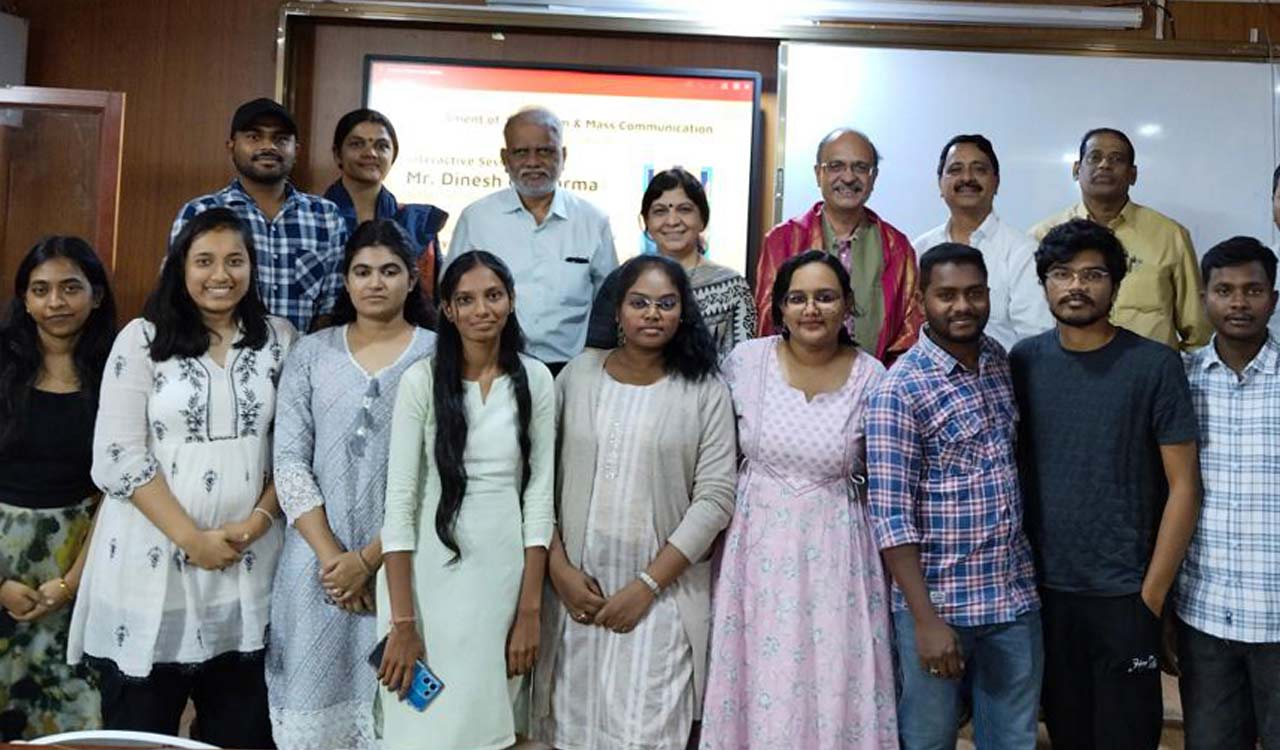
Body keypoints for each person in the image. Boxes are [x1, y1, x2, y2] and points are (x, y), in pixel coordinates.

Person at [68, 208, 297, 748]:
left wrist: (261, 520)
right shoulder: (141, 340)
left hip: (248, 566)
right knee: (141, 733)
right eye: (205, 261)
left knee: (242, 732)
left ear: (252, 267)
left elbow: (290, 449)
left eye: (235, 260)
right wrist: (191, 539)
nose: (221, 274)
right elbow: (117, 456)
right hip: (152, 569)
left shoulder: (280, 339)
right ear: (179, 268)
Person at [1010, 218, 1201, 750]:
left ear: (1116, 285)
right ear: (1043, 281)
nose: (1076, 286)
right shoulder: (1023, 361)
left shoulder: (1155, 365)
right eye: (1062, 273)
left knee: (1127, 735)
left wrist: (1150, 599)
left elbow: (1184, 486)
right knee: (1067, 732)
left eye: (1093, 274)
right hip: (1044, 594)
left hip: (1126, 595)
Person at [533, 255, 737, 750]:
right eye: (639, 303)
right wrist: (558, 571)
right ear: (618, 311)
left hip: (661, 601)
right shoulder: (577, 376)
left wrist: (646, 587)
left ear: (682, 313)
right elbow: (539, 481)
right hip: (576, 600)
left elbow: (715, 498)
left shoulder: (704, 388)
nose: (653, 314)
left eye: (666, 304)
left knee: (644, 733)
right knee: (568, 731)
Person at [701, 250, 898, 749]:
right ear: (780, 308)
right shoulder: (746, 362)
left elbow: (885, 475)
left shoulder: (873, 377)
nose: (812, 309)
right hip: (754, 553)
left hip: (838, 556)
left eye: (826, 297)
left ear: (847, 305)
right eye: (799, 298)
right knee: (757, 676)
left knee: (832, 675)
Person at [266, 219, 437, 749]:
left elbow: (441, 475)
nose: (375, 283)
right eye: (362, 272)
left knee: (412, 708)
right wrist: (335, 560)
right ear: (345, 281)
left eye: (390, 271)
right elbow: (290, 462)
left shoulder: (439, 354)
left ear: (412, 280)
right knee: (314, 718)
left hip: (409, 565)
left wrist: (369, 559)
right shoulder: (312, 353)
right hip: (316, 570)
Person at [376, 251, 554, 750]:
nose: (482, 310)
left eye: (493, 296)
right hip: (425, 584)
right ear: (448, 311)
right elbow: (399, 506)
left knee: (488, 729)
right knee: (420, 726)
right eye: (466, 300)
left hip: (502, 579)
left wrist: (529, 612)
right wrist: (403, 623)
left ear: (511, 301)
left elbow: (539, 502)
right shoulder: (420, 381)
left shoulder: (536, 379)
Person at [866, 243, 1042, 749]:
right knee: (928, 740)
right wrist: (925, 621)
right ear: (922, 300)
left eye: (974, 293)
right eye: (946, 295)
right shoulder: (899, 391)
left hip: (1013, 600)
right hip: (940, 606)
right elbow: (892, 518)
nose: (962, 306)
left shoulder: (1000, 363)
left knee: (1013, 739)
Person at [0, 237, 116, 741]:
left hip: (84, 559)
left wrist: (72, 582)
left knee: (71, 724)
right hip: (4, 558)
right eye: (40, 289)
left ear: (96, 296)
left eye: (71, 288)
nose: (55, 302)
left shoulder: (119, 368)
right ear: (23, 298)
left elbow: (119, 489)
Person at [1175, 236, 1280, 750]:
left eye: (1253, 290)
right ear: (1204, 297)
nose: (1239, 302)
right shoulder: (1178, 378)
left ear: (1273, 300)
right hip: (1206, 614)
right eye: (1225, 289)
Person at [447, 106, 618, 374]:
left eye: (545, 151)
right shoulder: (476, 218)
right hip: (493, 369)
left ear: (563, 156)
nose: (533, 162)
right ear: (505, 158)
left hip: (572, 373)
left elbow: (609, 304)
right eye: (521, 152)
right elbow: (450, 296)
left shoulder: (593, 221)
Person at [171, 98, 348, 333]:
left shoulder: (326, 216)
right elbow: (177, 294)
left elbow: (331, 308)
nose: (269, 146)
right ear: (231, 146)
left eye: (280, 139)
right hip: (217, 358)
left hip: (303, 362)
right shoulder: (200, 213)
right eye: (254, 137)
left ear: (296, 150)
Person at [1030, 127, 1209, 351]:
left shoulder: (1170, 235)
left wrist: (1167, 373)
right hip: (1068, 374)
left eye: (1116, 159)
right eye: (1095, 157)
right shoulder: (1043, 235)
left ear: (1132, 174)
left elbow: (1198, 332)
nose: (1105, 165)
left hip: (1149, 377)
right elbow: (1032, 322)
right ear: (1077, 169)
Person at [754, 128, 922, 364]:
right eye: (836, 166)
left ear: (873, 177)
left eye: (860, 167)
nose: (849, 177)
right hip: (796, 383)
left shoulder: (897, 247)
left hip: (874, 389)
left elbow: (910, 331)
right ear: (817, 174)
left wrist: (878, 384)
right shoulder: (782, 240)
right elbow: (769, 321)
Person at [586, 167, 755, 358]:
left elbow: (744, 367)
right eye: (660, 211)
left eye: (685, 209)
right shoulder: (621, 280)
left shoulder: (733, 287)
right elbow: (595, 356)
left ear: (703, 220)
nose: (672, 221)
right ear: (646, 222)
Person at [913, 135, 1051, 349]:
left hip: (1005, 378)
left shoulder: (1023, 251)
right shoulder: (919, 250)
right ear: (940, 183)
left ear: (996, 182)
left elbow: (1035, 339)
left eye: (979, 169)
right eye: (955, 170)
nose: (967, 177)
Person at [322, 108, 448, 302]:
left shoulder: (415, 223)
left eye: (382, 146)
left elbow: (433, 301)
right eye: (357, 144)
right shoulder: (313, 219)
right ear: (338, 154)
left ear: (393, 156)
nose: (371, 153)